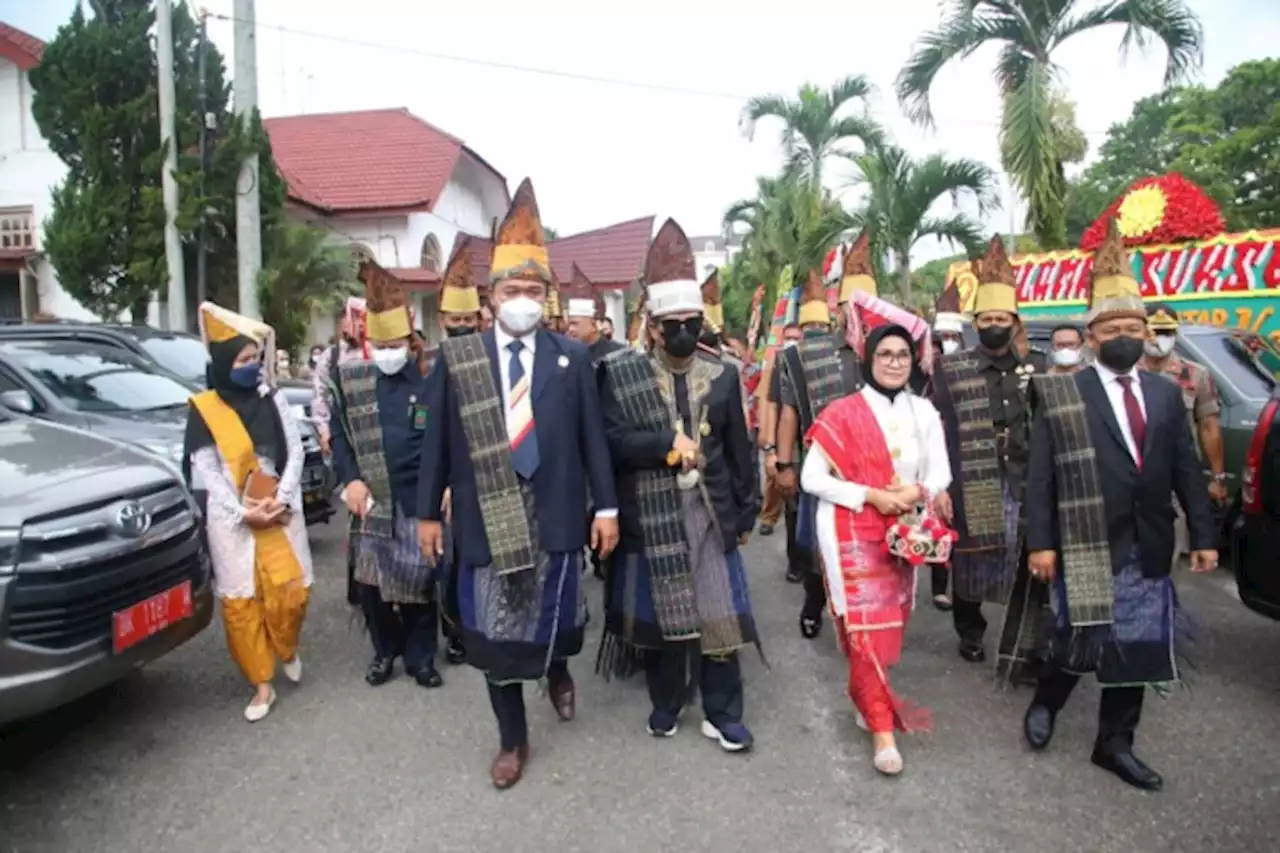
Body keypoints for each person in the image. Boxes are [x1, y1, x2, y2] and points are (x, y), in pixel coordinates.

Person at [416, 178, 619, 790]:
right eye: (513, 288)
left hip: (554, 510)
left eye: (534, 289)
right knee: (497, 636)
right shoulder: (459, 360)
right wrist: (428, 514)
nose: (523, 298)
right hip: (487, 513)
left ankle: (557, 669)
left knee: (554, 618)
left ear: (547, 297)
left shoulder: (571, 358)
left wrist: (605, 507)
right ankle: (512, 739)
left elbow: (593, 442)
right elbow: (437, 446)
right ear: (492, 295)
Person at [1022, 220, 1216, 791]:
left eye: (1135, 325)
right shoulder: (1062, 393)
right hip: (1084, 540)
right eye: (1113, 327)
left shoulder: (1163, 392)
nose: (1127, 335)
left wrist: (1203, 535)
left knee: (1137, 646)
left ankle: (1114, 745)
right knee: (1076, 637)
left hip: (1149, 541)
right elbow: (1041, 478)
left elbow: (1186, 467)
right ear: (1091, 336)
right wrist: (1041, 543)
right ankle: (1046, 705)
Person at [597, 219, 761, 752]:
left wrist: (746, 511)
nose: (685, 331)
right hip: (654, 513)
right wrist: (667, 444)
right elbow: (614, 441)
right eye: (674, 323)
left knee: (718, 619)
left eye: (693, 321)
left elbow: (740, 449)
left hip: (711, 514)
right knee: (667, 619)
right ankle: (666, 703)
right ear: (652, 325)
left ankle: (722, 712)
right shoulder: (623, 374)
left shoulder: (725, 374)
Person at [804, 324, 951, 774]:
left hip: (904, 529)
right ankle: (884, 730)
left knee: (888, 627)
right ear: (868, 359)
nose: (893, 362)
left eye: (902, 354)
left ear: (914, 360)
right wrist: (871, 495)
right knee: (865, 627)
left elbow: (941, 472)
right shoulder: (842, 412)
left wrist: (916, 492)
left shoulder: (925, 411)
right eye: (884, 354)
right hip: (849, 528)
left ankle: (866, 696)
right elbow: (813, 479)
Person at [183, 302, 314, 722]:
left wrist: (283, 496)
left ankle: (286, 645)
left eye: (255, 358)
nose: (251, 366)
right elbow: (206, 470)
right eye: (242, 359)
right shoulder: (204, 409)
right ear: (222, 361)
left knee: (290, 592)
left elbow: (294, 450)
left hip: (277, 505)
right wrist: (242, 512)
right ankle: (261, 683)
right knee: (242, 607)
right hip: (233, 518)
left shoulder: (271, 399)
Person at [931, 236, 1048, 676]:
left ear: (1014, 321)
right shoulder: (953, 369)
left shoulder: (1036, 366)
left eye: (1002, 317)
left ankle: (1025, 642)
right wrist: (941, 484)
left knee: (1025, 557)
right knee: (973, 557)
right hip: (970, 477)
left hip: (1021, 474)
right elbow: (937, 429)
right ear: (974, 322)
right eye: (987, 317)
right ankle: (971, 631)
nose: (994, 324)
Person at [329, 261, 443, 688]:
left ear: (411, 339)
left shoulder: (433, 375)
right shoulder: (352, 379)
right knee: (373, 587)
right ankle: (383, 652)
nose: (387, 351)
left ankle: (421, 658)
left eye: (394, 343)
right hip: (372, 497)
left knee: (419, 580)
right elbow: (339, 435)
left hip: (419, 497)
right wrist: (351, 479)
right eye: (379, 343)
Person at [775, 252, 866, 635]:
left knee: (863, 546)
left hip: (871, 466)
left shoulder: (877, 353)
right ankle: (814, 603)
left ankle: (861, 614)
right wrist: (783, 464)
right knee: (817, 543)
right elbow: (789, 413)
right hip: (822, 463)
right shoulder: (801, 357)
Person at [434, 238, 485, 666]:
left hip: (484, 473)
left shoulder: (489, 362)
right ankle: (454, 631)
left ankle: (478, 629)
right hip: (452, 482)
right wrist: (447, 483)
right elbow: (439, 435)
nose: (463, 325)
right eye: (456, 319)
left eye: (470, 318)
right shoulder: (434, 364)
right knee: (453, 563)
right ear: (442, 319)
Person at [1143, 303, 1228, 557]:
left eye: (1166, 332)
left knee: (1171, 549)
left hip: (1175, 475)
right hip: (1133, 473)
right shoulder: (1124, 372)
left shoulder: (1195, 375)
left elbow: (1208, 426)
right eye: (1154, 331)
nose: (1159, 338)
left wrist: (1218, 478)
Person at [563, 263, 625, 581]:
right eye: (567, 323)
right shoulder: (564, 358)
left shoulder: (619, 356)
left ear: (596, 324)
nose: (569, 329)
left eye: (575, 323)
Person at [757, 324, 803, 541]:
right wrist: (768, 446)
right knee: (775, 481)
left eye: (796, 338)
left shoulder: (807, 362)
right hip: (780, 438)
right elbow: (769, 404)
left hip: (803, 442)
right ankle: (768, 517)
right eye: (788, 338)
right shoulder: (775, 364)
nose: (792, 342)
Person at [312, 297, 366, 457]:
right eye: (354, 317)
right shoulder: (331, 357)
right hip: (342, 433)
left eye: (363, 317)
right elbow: (319, 395)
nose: (360, 323)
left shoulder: (375, 352)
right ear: (342, 321)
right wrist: (324, 431)